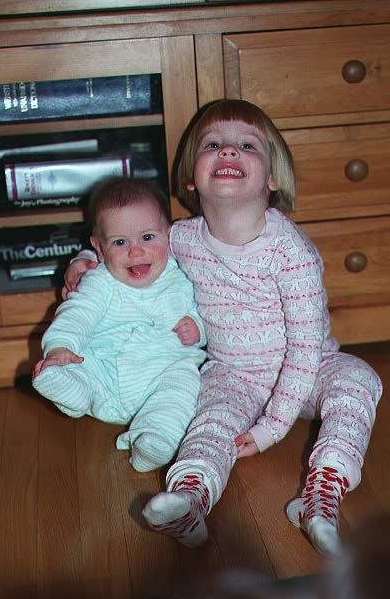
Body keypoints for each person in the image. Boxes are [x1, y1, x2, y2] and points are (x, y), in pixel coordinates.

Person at [63, 100, 382, 555]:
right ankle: (190, 499)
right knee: (210, 420)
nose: (228, 151)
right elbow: (131, 243)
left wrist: (272, 427)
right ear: (192, 178)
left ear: (272, 178)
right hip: (232, 372)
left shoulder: (292, 253)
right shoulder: (183, 239)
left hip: (308, 369)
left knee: (358, 377)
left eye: (247, 146)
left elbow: (305, 349)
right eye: (212, 144)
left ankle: (321, 493)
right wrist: (85, 261)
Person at [32, 178, 206, 473]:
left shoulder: (182, 275)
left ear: (169, 235)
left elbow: (207, 311)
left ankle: (154, 440)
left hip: (162, 371)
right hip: (106, 371)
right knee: (80, 364)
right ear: (99, 249)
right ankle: (74, 391)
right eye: (120, 242)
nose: (135, 252)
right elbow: (77, 314)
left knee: (183, 387)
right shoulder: (100, 281)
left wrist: (197, 328)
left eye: (147, 237)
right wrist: (60, 347)